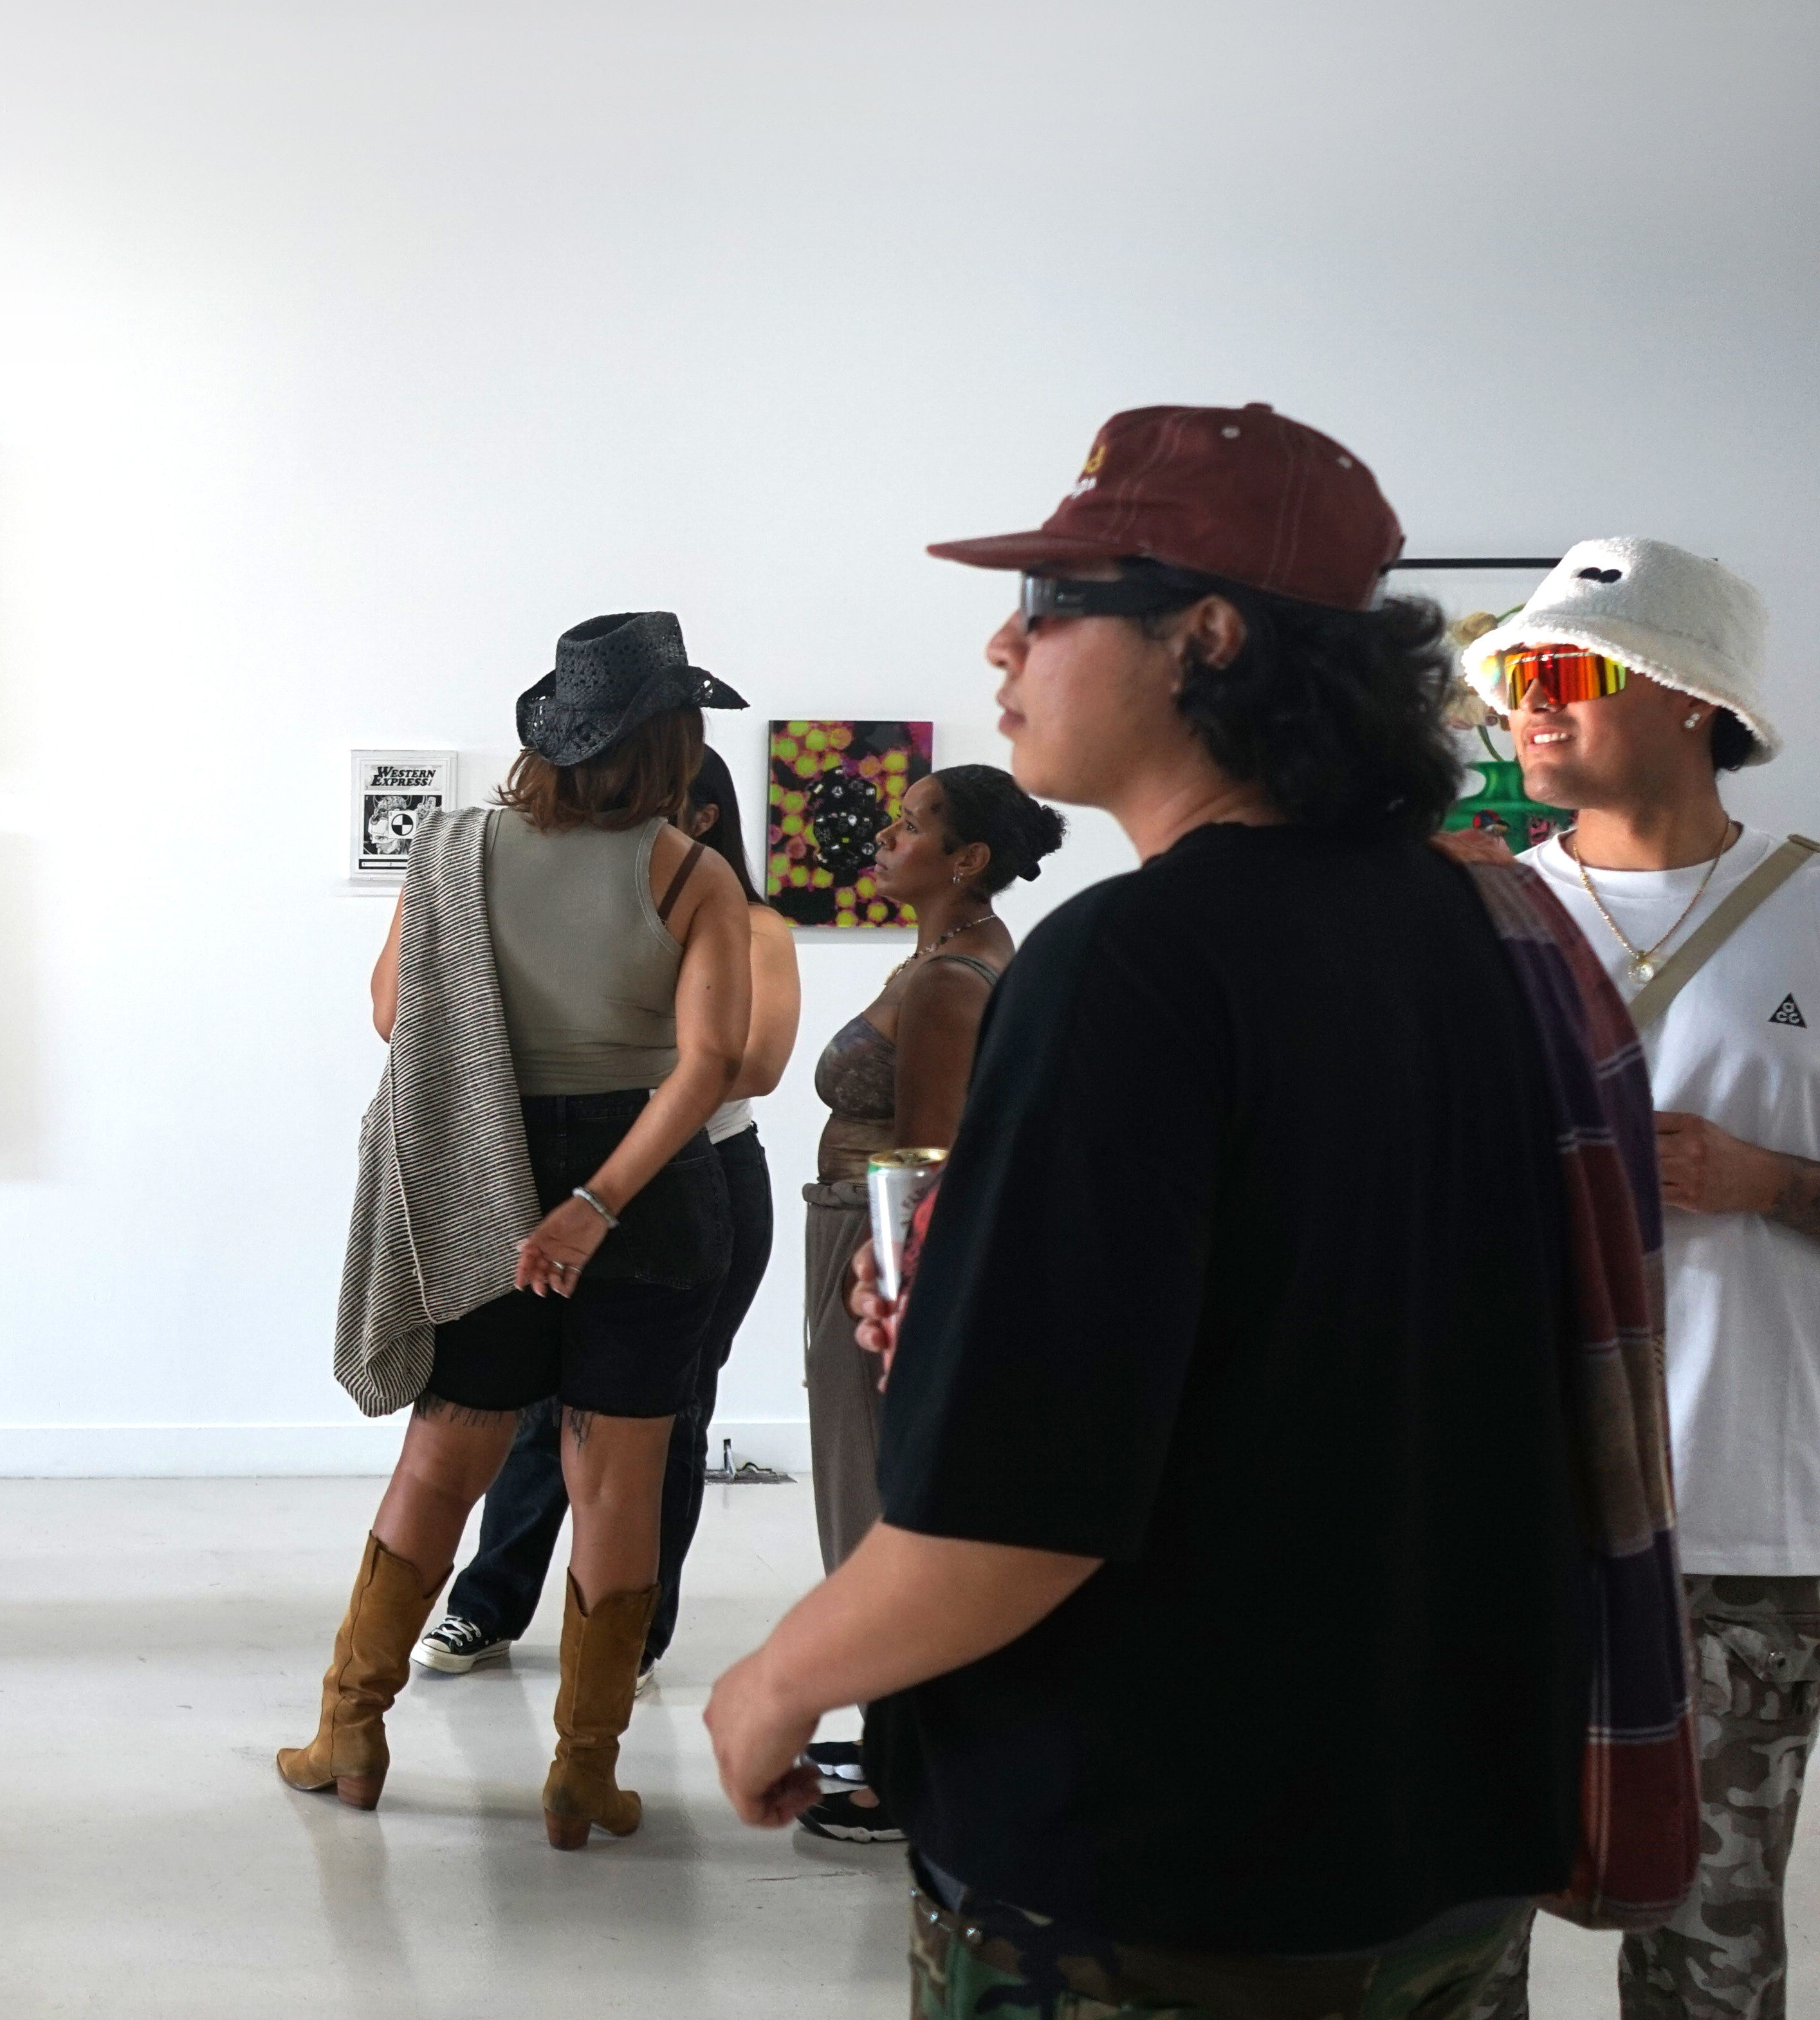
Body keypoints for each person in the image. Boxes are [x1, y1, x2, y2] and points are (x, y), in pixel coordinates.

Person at [704, 407, 1599, 2015]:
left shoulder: (1130, 960)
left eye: (1053, 601)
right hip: (1436, 1834)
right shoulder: (1477, 923)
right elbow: (1320, 1336)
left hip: (1165, 1867)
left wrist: (775, 1684)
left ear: (1205, 635)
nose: (1004, 640)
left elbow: (1022, 1516)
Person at [294, 609, 755, 1847]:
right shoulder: (693, 874)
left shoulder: (451, 851)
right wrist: (600, 1203)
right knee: (620, 1482)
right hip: (652, 1193)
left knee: (445, 1459)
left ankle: (351, 1730)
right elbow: (711, 1066)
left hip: (480, 1180)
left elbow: (397, 1017)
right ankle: (583, 1774)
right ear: (670, 745)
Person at [1471, 538, 1807, 2019]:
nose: (1529, 709)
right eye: (1515, 683)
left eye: (1567, 672)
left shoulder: (1810, 912)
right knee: (1456, 1920)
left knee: (1711, 1938)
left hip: (1740, 1509)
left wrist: (1773, 1182)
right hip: (1499, 1506)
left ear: (1687, 696)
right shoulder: (1474, 923)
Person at [410, 746, 797, 1685]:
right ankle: (488, 1608)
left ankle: (631, 1642)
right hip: (572, 1164)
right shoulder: (541, 878)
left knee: (666, 1418)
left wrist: (610, 1049)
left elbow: (748, 1067)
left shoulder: (746, 917)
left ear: (704, 817)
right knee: (535, 1414)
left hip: (700, 1167)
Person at [782, 760, 1060, 1844]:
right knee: (875, 1488)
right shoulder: (948, 956)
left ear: (967, 860)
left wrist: (899, 1309)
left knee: (877, 1494)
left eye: (910, 827)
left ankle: (908, 1762)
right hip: (858, 1233)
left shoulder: (950, 981)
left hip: (875, 1248)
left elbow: (925, 1165)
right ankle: (900, 1727)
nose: (887, 841)